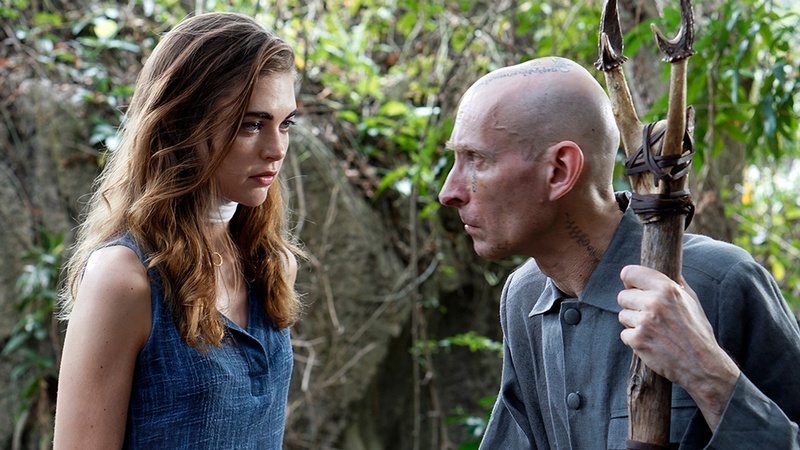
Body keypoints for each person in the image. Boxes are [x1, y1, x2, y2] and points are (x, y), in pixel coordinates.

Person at [438, 56, 800, 449]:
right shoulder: (523, 295)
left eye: (477, 160)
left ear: (559, 170)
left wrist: (706, 371)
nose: (448, 192)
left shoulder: (721, 281)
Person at [53, 12, 303, 449]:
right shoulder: (124, 278)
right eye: (251, 124)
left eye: (285, 124)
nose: (276, 148)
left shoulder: (272, 267)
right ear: (180, 123)